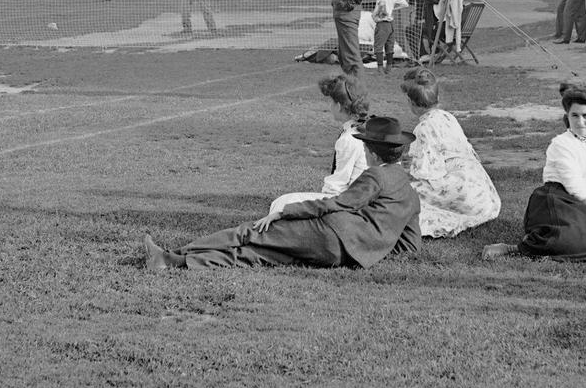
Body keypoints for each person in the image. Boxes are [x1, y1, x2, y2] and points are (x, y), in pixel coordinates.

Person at [142, 115, 421, 271]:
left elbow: (337, 203)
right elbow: (410, 247)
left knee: (250, 233)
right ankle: (178, 262)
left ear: (370, 150)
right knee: (255, 256)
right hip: (344, 256)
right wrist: (372, 247)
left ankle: (168, 257)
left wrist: (284, 212)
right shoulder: (410, 192)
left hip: (331, 234)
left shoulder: (375, 175)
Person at [482, 82, 586, 262]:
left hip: (581, 205)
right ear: (567, 117)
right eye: (574, 115)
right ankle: (518, 248)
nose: (580, 122)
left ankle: (579, 241)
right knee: (566, 240)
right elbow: (575, 186)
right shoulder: (561, 144)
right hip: (556, 203)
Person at [399, 67, 500, 238]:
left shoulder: (423, 128)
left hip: (463, 191)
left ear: (411, 102)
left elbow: (424, 173)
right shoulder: (448, 117)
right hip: (483, 193)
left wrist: (401, 171)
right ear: (437, 98)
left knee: (405, 191)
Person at [266, 74, 369, 215]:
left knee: (281, 203)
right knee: (283, 202)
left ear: (338, 106)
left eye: (331, 102)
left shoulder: (348, 139)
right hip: (362, 199)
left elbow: (337, 186)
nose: (330, 106)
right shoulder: (363, 127)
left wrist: (318, 205)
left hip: (350, 204)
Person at [370, 0, 409, 76]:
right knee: (389, 46)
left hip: (382, 24)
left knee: (378, 46)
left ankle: (380, 69)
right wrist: (394, 9)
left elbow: (381, 6)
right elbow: (405, 3)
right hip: (391, 24)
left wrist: (374, 15)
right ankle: (389, 68)